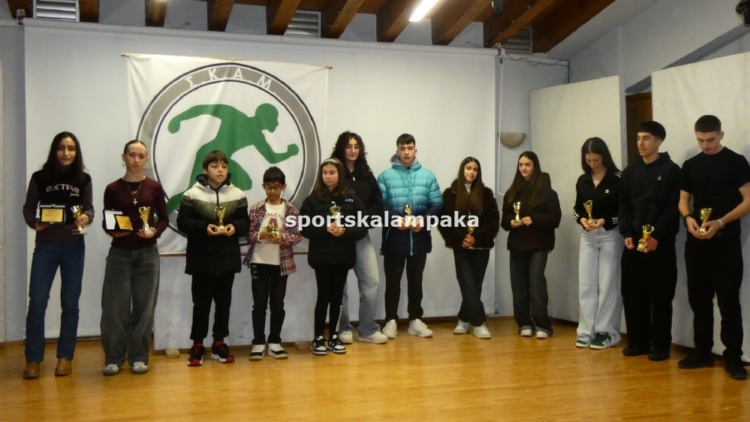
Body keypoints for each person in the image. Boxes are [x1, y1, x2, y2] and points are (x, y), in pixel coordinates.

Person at [677, 115, 750, 380]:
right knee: (699, 299)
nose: (705, 145)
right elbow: (683, 201)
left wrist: (721, 222)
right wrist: (688, 218)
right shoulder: (691, 165)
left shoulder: (736, 162)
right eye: (700, 140)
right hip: (696, 242)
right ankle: (702, 352)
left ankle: (733, 356)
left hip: (725, 242)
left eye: (710, 139)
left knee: (728, 300)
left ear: (721, 135)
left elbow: (748, 200)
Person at [22, 131, 93, 379]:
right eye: (61, 148)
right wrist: (34, 222)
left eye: (71, 148)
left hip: (74, 247)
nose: (66, 153)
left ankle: (65, 358)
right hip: (46, 247)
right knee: (37, 303)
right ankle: (33, 359)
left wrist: (86, 217)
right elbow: (28, 207)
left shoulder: (83, 179)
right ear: (54, 150)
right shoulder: (40, 177)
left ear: (76, 152)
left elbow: (89, 208)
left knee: (70, 304)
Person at [100, 140, 168, 376]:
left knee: (144, 307)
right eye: (132, 155)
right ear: (124, 157)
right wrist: (112, 231)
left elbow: (164, 219)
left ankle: (138, 356)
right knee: (114, 308)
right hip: (119, 254)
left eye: (141, 156)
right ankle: (114, 357)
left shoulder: (154, 187)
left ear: (146, 159)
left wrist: (154, 232)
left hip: (148, 255)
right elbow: (107, 220)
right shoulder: (112, 189)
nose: (136, 160)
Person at [178, 150, 250, 367]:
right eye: (215, 166)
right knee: (200, 304)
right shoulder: (191, 194)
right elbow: (182, 222)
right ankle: (198, 344)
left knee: (223, 303)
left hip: (227, 258)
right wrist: (204, 227)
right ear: (205, 169)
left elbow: (245, 222)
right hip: (201, 259)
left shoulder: (238, 194)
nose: (220, 170)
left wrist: (234, 226)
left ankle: (219, 342)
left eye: (224, 166)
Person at [618, 121, 680, 361]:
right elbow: (624, 205)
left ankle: (661, 345)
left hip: (660, 244)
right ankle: (638, 342)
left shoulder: (671, 170)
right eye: (638, 138)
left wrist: (656, 236)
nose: (640, 143)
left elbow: (672, 207)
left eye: (646, 138)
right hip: (633, 243)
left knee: (661, 296)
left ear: (658, 141)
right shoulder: (630, 172)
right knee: (632, 293)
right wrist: (627, 233)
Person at [377, 134, 443, 339]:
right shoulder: (385, 177)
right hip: (394, 240)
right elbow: (379, 206)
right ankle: (390, 320)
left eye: (410, 148)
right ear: (397, 150)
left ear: (416, 150)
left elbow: (437, 205)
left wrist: (422, 221)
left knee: (416, 282)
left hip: (419, 240)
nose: (406, 152)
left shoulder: (428, 176)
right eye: (402, 148)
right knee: (392, 283)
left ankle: (415, 320)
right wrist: (396, 220)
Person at [300, 158, 367, 356]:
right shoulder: (312, 200)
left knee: (337, 298)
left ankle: (334, 336)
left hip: (343, 256)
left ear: (340, 174)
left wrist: (345, 231)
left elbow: (362, 226)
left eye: (332, 172)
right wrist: (325, 229)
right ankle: (318, 338)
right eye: (325, 173)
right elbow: (304, 227)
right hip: (321, 257)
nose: (328, 176)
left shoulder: (352, 198)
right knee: (323, 296)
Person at [330, 132, 388, 345]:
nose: (353, 150)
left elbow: (377, 206)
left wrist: (362, 221)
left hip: (361, 237)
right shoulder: (333, 172)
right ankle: (343, 327)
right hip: (338, 238)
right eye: (348, 146)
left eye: (356, 146)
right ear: (341, 148)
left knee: (372, 281)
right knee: (340, 286)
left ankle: (367, 329)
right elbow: (325, 202)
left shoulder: (366, 175)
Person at [500, 151, 561, 339]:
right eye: (521, 165)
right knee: (518, 287)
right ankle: (524, 323)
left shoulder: (547, 192)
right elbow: (504, 220)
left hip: (539, 245)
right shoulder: (511, 192)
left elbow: (555, 219)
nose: (523, 168)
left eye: (527, 164)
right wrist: (512, 222)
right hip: (517, 245)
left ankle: (543, 325)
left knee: (536, 284)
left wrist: (534, 218)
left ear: (535, 166)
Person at [244, 166, 302, 360]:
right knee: (259, 305)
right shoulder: (256, 208)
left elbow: (296, 236)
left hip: (281, 263)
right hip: (259, 260)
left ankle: (275, 341)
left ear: (283, 186)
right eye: (268, 187)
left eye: (276, 187)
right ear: (263, 186)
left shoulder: (291, 210)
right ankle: (258, 342)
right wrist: (261, 235)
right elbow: (248, 234)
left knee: (277, 304)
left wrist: (282, 238)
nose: (272, 191)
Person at [438, 157, 500, 339]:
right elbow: (444, 221)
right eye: (468, 168)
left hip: (481, 248)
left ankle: (464, 319)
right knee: (467, 283)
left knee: (474, 286)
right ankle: (479, 323)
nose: (472, 172)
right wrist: (460, 239)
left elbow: (492, 221)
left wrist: (476, 238)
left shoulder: (486, 194)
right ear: (462, 170)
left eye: (475, 169)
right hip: (461, 248)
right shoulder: (450, 194)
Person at [572, 137, 623, 349]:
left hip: (611, 235)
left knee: (608, 284)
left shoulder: (618, 178)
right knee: (586, 284)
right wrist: (582, 220)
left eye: (596, 160)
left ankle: (607, 332)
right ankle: (586, 331)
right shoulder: (582, 180)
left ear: (604, 157)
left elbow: (623, 210)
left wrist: (605, 221)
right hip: (588, 237)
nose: (592, 164)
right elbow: (577, 208)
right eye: (589, 160)